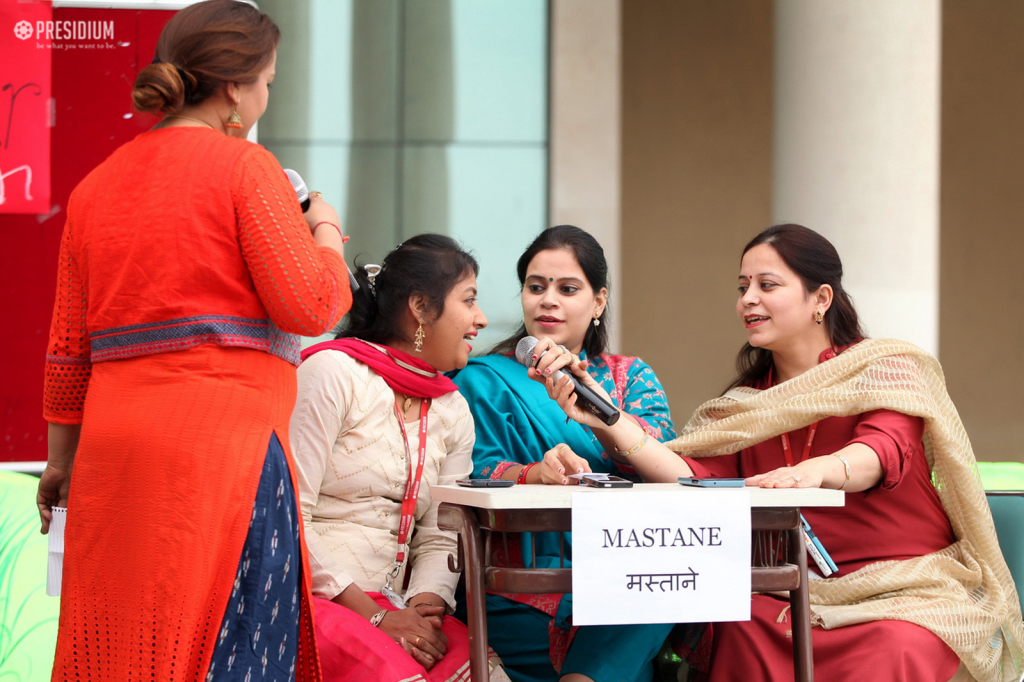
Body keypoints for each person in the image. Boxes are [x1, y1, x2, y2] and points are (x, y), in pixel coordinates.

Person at [530, 223, 1024, 682]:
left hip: (906, 589)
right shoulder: (744, 407)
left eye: (767, 285)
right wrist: (609, 420)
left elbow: (883, 449)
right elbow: (689, 477)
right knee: (740, 625)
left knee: (894, 644)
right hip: (792, 591)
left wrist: (818, 471)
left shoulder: (886, 368)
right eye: (743, 287)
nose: (749, 299)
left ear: (820, 298)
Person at [36, 2, 351, 680]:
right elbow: (310, 304)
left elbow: (68, 349)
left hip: (112, 459)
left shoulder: (95, 187)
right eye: (268, 79)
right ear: (235, 87)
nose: (268, 94)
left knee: (121, 654)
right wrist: (324, 229)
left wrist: (61, 465)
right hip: (221, 454)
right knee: (233, 648)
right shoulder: (247, 169)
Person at [452, 225, 677, 682]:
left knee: (670, 579)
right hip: (518, 585)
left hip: (621, 580)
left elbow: (667, 472)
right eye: (536, 287)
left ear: (598, 302)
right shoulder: (482, 379)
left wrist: (601, 414)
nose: (548, 300)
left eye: (567, 288)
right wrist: (534, 473)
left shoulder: (630, 378)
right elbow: (467, 471)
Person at [290, 235, 510, 682]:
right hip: (315, 602)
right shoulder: (333, 374)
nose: (481, 319)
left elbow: (439, 534)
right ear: (421, 308)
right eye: (469, 300)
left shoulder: (452, 409)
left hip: (399, 608)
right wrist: (373, 616)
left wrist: (422, 615)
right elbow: (288, 517)